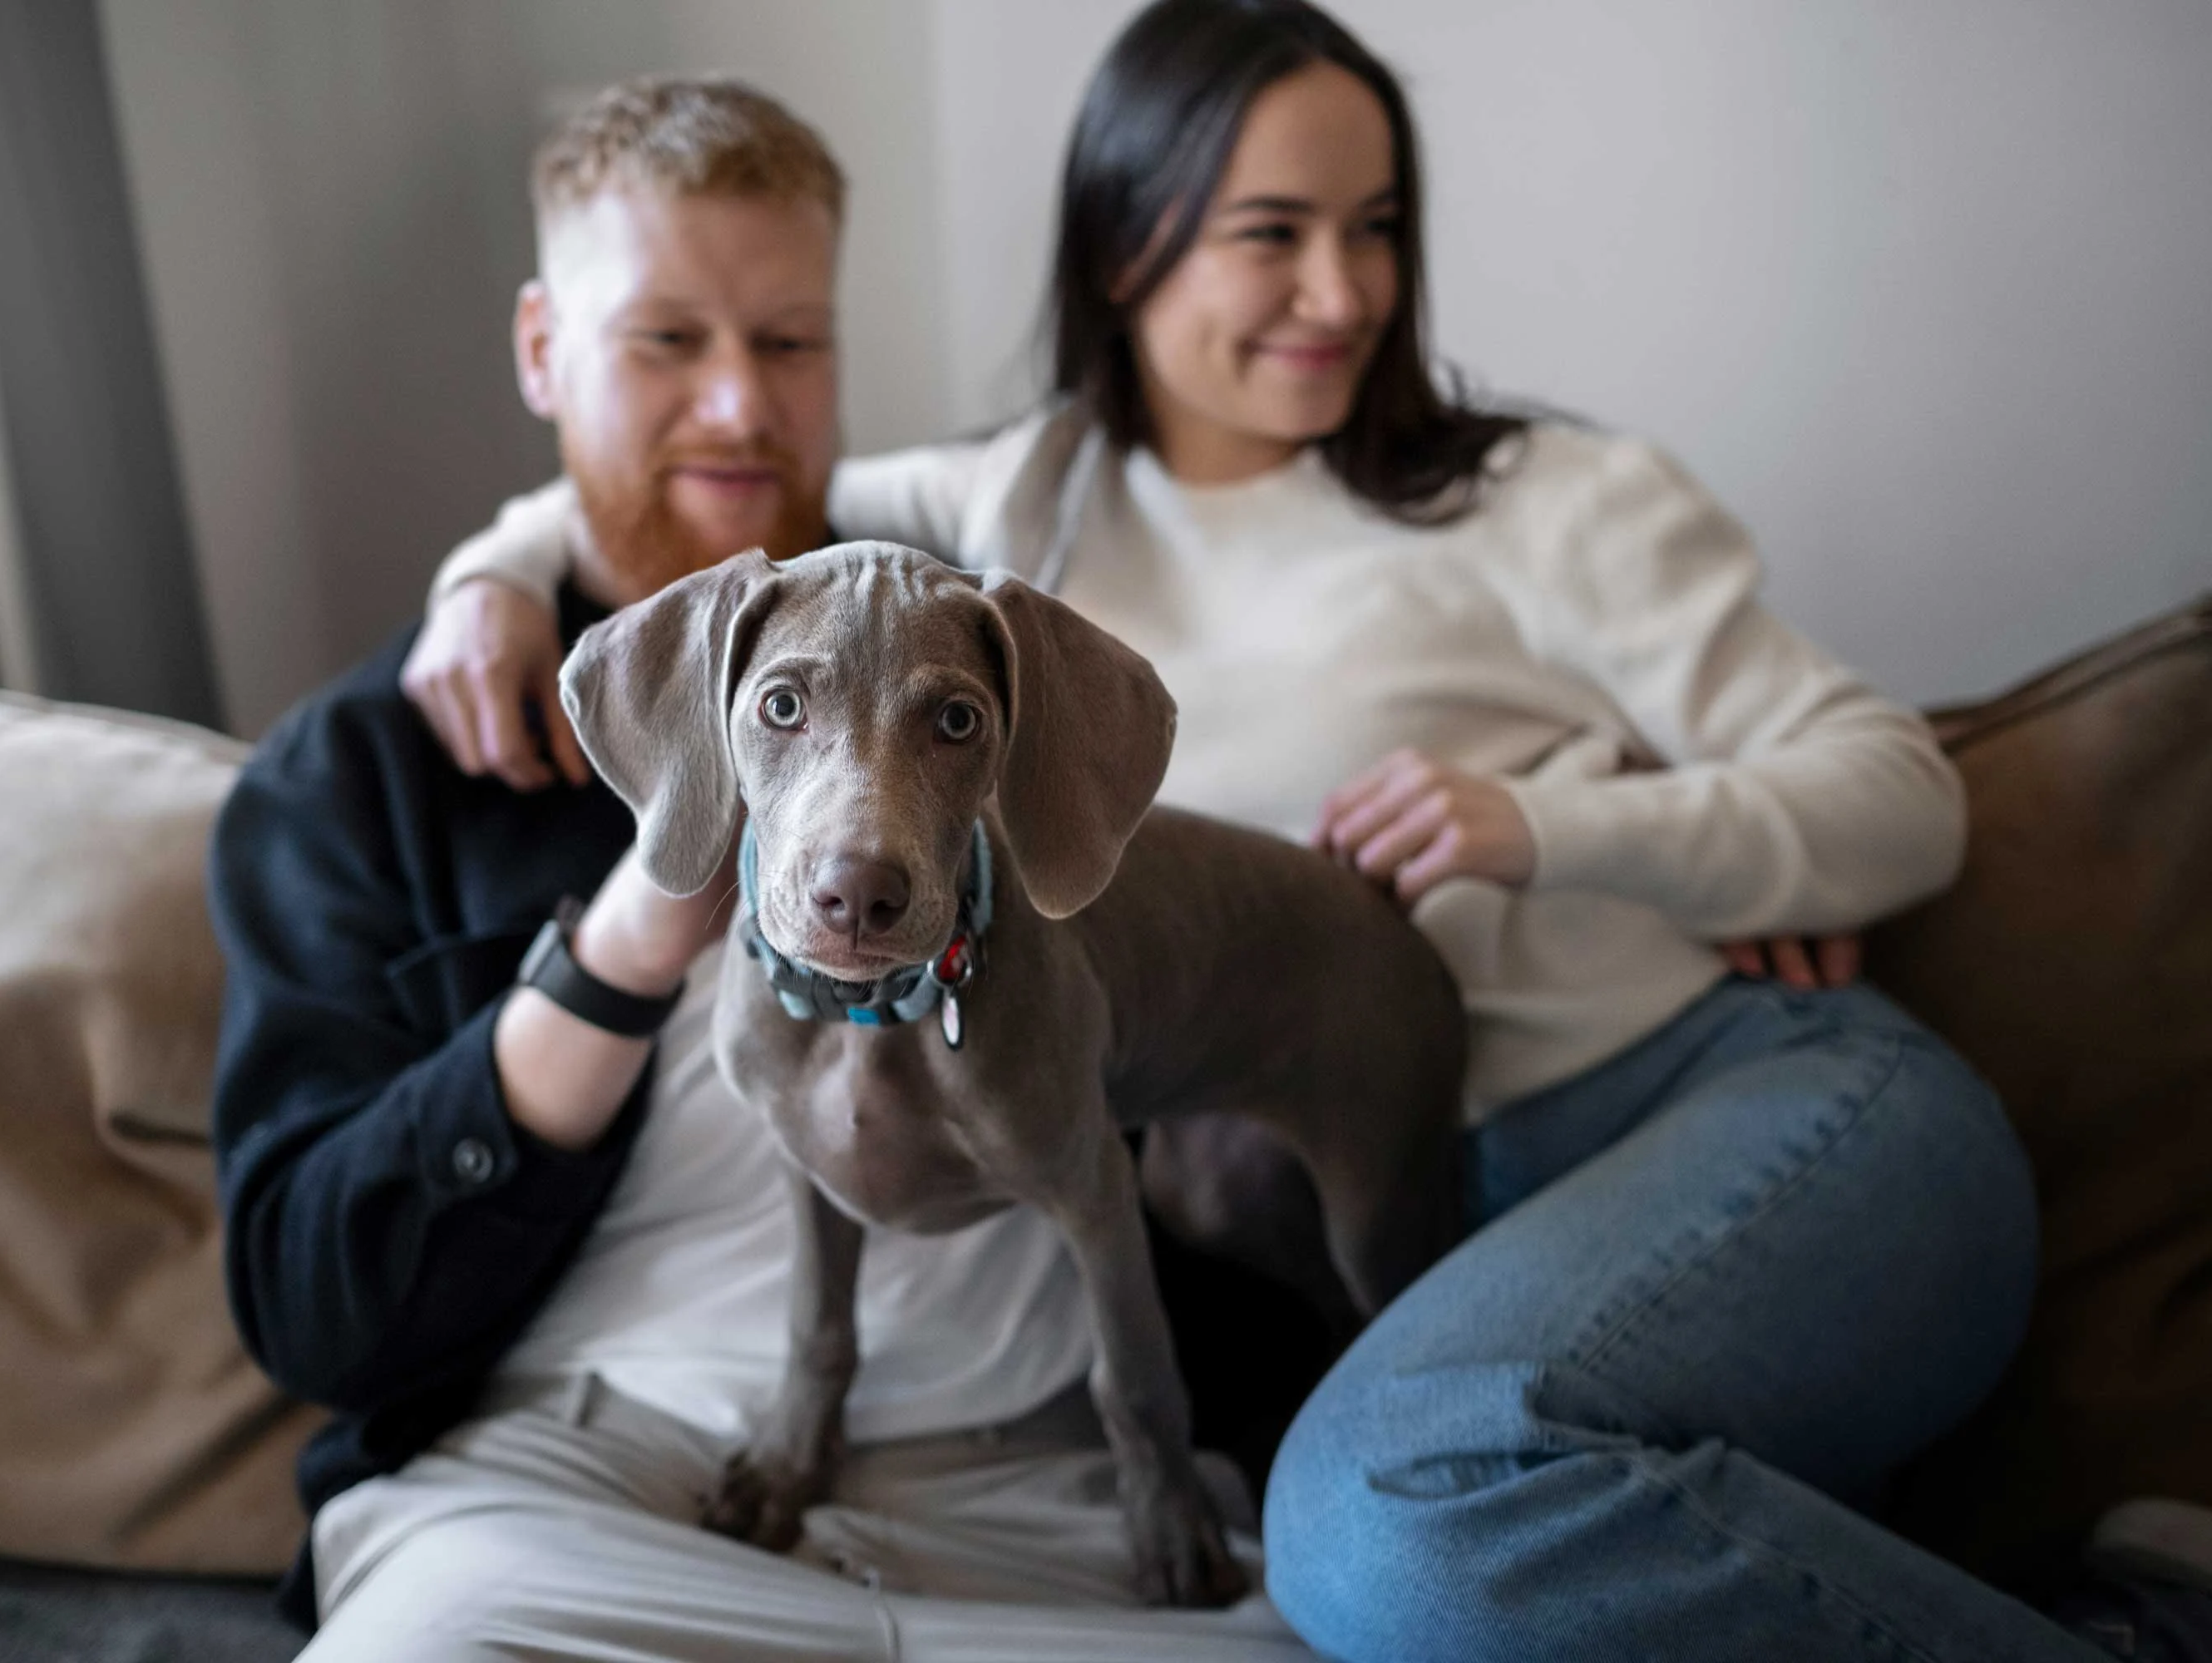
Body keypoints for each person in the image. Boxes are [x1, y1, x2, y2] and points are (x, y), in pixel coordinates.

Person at [407, 5, 2137, 1659]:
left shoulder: (1548, 499)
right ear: (1123, 246)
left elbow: (1899, 795)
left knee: (1377, 1517)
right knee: (1389, 1529)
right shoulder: (1017, 501)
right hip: (1460, 1206)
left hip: (1748, 1107)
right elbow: (720, 502)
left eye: (1376, 226)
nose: (1342, 289)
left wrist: (1554, 824)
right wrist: (486, 574)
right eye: (1272, 230)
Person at [210, 76, 1321, 1662]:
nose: (739, 405)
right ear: (542, 351)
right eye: (665, 339)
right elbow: (313, 1306)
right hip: (590, 1484)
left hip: (1052, 1487)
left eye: (790, 342)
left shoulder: (950, 623)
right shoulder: (361, 775)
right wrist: (622, 938)